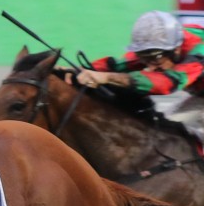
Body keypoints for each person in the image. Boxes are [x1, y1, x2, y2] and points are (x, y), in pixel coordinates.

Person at [72, 10, 204, 141]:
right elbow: (118, 65)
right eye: (145, 58)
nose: (151, 67)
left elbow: (167, 83)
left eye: (155, 59)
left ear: (176, 49)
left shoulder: (198, 49)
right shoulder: (162, 45)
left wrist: (107, 77)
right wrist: (77, 71)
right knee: (171, 129)